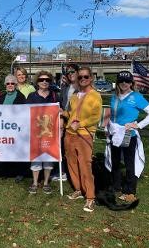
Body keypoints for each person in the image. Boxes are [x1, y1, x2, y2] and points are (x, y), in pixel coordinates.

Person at [105, 71, 149, 203]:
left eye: (127, 81)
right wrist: (107, 128)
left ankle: (130, 191)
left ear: (131, 83)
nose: (124, 83)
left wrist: (138, 125)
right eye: (121, 81)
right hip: (114, 134)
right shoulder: (114, 96)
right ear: (117, 82)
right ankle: (116, 186)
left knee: (129, 164)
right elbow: (111, 115)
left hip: (129, 135)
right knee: (115, 162)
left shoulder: (136, 97)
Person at [62, 66, 102, 212]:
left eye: (86, 77)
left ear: (91, 78)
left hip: (84, 134)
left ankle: (90, 197)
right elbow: (72, 114)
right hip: (69, 134)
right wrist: (63, 113)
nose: (83, 79)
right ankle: (78, 189)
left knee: (85, 165)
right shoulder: (74, 96)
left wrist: (81, 124)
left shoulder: (95, 95)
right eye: (80, 77)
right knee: (71, 163)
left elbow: (96, 117)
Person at [26, 71, 58, 195]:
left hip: (51, 132)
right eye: (41, 80)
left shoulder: (55, 95)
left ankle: (45, 182)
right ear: (37, 82)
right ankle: (34, 182)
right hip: (35, 132)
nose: (44, 82)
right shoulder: (31, 96)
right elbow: (25, 113)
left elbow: (61, 112)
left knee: (49, 157)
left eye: (47, 80)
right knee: (36, 157)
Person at [51, 63, 80, 182]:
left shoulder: (82, 88)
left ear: (78, 72)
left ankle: (77, 173)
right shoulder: (65, 88)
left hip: (78, 123)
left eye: (73, 72)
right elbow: (62, 104)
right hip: (65, 121)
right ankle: (62, 171)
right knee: (63, 147)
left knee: (76, 149)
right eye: (68, 72)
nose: (70, 74)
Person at [0, 75, 27, 182]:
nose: (10, 85)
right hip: (4, 128)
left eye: (12, 83)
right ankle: (6, 172)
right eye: (8, 83)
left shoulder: (21, 97)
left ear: (15, 85)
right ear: (5, 85)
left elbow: (24, 113)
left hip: (17, 128)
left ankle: (20, 172)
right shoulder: (1, 97)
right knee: (6, 150)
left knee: (18, 150)